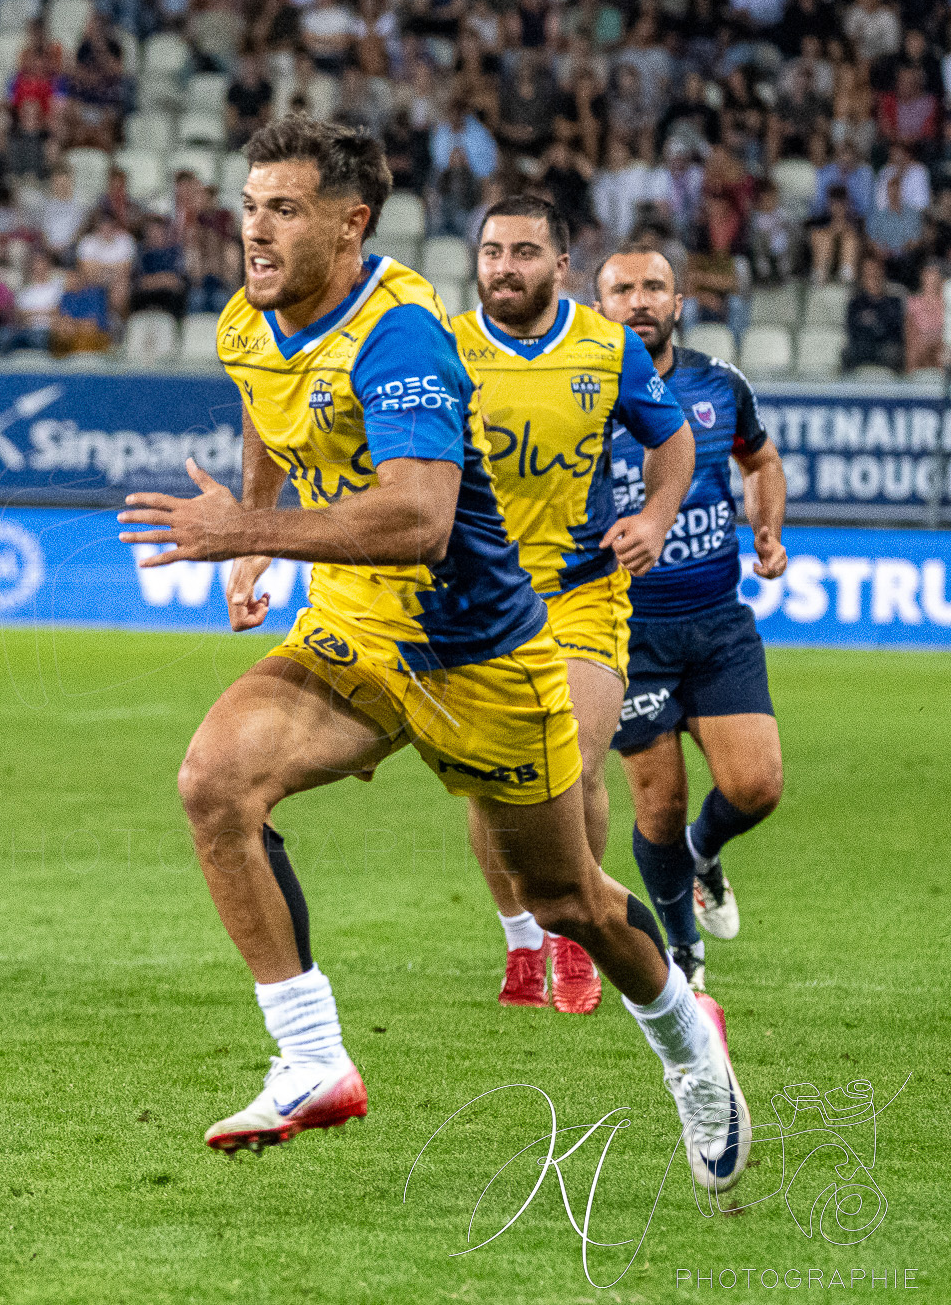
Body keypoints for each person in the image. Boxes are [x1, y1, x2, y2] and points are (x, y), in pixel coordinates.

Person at [115, 117, 749, 1192]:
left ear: (350, 222)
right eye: (248, 204)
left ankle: (689, 1048)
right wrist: (252, 530)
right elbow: (271, 417)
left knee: (568, 903)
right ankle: (312, 1059)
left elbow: (415, 517)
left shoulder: (404, 336)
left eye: (284, 209)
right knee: (213, 783)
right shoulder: (245, 322)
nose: (253, 230)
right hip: (358, 631)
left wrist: (241, 532)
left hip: (479, 653)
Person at [452, 198, 693, 1012]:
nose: (505, 267)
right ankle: (523, 940)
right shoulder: (444, 349)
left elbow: (675, 438)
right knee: (495, 783)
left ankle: (577, 931)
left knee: (570, 765)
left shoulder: (608, 347)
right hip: (479, 602)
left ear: (561, 266)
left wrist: (655, 517)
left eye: (524, 251)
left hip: (581, 591)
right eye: (492, 251)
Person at [597, 245, 789, 992]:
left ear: (679, 304)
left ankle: (704, 853)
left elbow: (761, 462)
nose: (639, 300)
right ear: (599, 304)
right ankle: (683, 948)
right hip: (626, 629)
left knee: (757, 786)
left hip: (716, 620)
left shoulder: (719, 384)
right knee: (657, 800)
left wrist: (767, 529)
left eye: (654, 288)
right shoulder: (580, 397)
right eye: (622, 289)